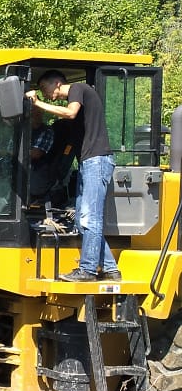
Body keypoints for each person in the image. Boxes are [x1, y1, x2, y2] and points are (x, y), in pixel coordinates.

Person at [26, 70, 121, 282]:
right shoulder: (78, 97)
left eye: (44, 89)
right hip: (88, 163)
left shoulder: (79, 89)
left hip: (97, 161)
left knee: (90, 218)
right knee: (80, 219)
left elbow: (70, 113)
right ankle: (110, 269)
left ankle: (87, 270)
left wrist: (37, 104)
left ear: (57, 83)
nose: (45, 93)